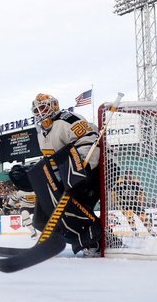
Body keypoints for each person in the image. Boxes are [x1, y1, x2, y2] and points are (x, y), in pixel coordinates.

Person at [25, 93, 101, 256]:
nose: (41, 113)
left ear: (54, 106)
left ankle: (94, 242)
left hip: (88, 172)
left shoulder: (68, 119)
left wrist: (80, 168)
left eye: (44, 107)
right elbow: (50, 159)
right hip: (67, 176)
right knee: (41, 219)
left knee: (73, 210)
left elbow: (89, 140)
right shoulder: (40, 132)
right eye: (37, 110)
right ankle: (73, 240)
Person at [111, 169, 156, 237]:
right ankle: (135, 231)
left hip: (135, 202)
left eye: (130, 174)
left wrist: (142, 200)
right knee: (129, 215)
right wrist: (115, 202)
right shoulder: (120, 183)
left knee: (143, 216)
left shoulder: (136, 183)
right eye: (127, 174)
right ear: (125, 175)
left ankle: (150, 230)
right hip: (124, 203)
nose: (129, 176)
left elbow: (142, 193)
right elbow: (114, 192)